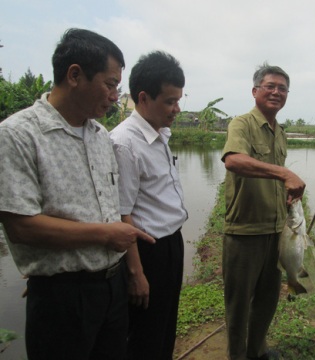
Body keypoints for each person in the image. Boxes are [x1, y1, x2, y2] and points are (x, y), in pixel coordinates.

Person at [0, 28, 155, 360]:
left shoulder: (100, 135)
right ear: (74, 75)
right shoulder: (18, 135)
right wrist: (104, 234)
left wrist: (131, 271)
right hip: (61, 299)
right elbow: (21, 226)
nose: (115, 96)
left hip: (111, 289)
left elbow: (111, 209)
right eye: (110, 84)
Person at [221, 63, 306, 360]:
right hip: (245, 233)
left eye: (282, 88)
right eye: (270, 86)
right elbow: (233, 161)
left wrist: (285, 194)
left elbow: (270, 178)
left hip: (276, 233)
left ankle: (257, 351)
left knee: (268, 301)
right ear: (255, 91)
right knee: (239, 305)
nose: (276, 92)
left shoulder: (279, 132)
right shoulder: (241, 124)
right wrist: (283, 173)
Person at [110, 51, 188, 360]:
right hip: (147, 251)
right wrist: (136, 273)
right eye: (170, 101)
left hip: (171, 244)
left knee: (166, 325)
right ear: (144, 97)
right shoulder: (125, 144)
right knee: (146, 336)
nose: (177, 109)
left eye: (178, 100)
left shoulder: (159, 134)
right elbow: (121, 213)